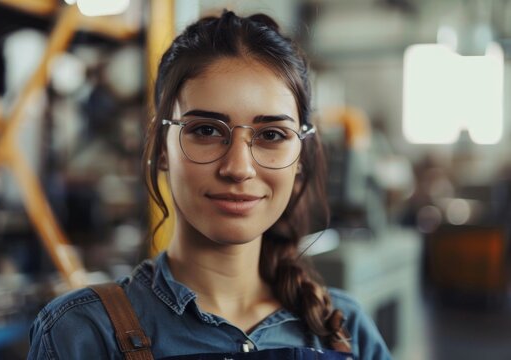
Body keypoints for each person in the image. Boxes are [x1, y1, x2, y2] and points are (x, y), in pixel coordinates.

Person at [28, 10, 392, 360]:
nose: (238, 168)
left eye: (271, 135)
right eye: (206, 130)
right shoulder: (82, 333)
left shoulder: (345, 330)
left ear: (300, 158)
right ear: (162, 147)